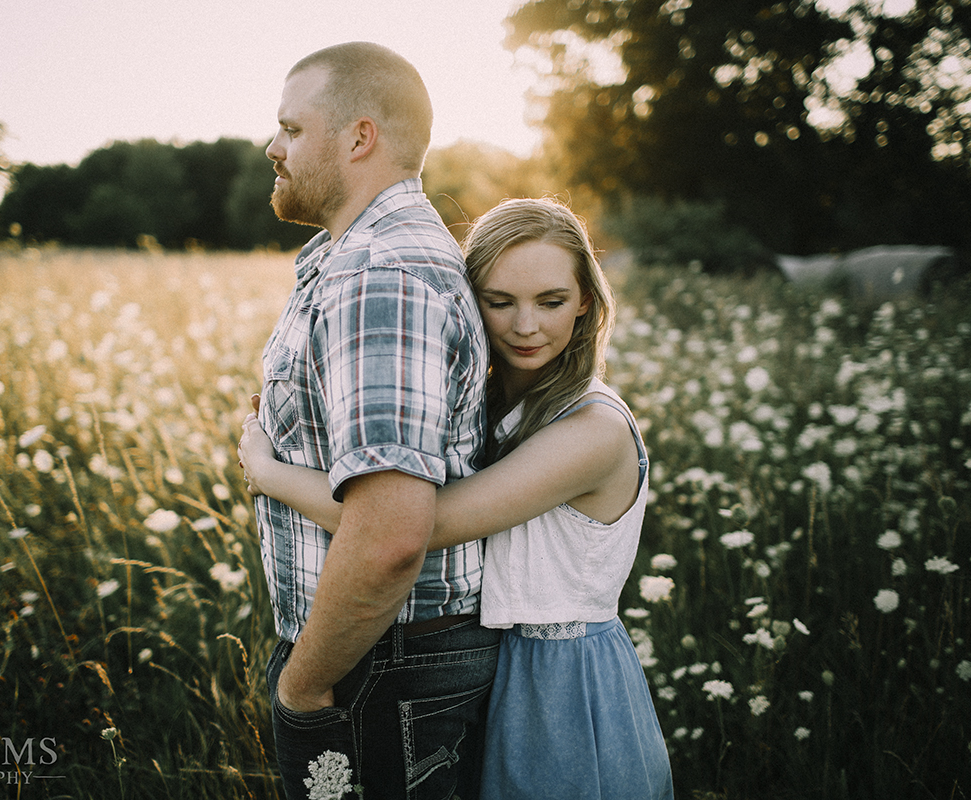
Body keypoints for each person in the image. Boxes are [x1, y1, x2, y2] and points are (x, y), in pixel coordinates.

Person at [241, 197, 675, 799]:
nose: (526, 325)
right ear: (470, 304)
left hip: (562, 681)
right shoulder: (491, 408)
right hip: (490, 664)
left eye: (550, 302)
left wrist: (269, 472)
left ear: (585, 303)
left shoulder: (593, 431)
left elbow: (412, 524)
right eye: (500, 302)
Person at [249, 41, 499, 799]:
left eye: (291, 129)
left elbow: (391, 534)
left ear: (360, 137)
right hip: (380, 655)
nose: (272, 147)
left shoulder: (377, 275)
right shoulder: (350, 258)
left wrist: (303, 685)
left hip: (377, 664)